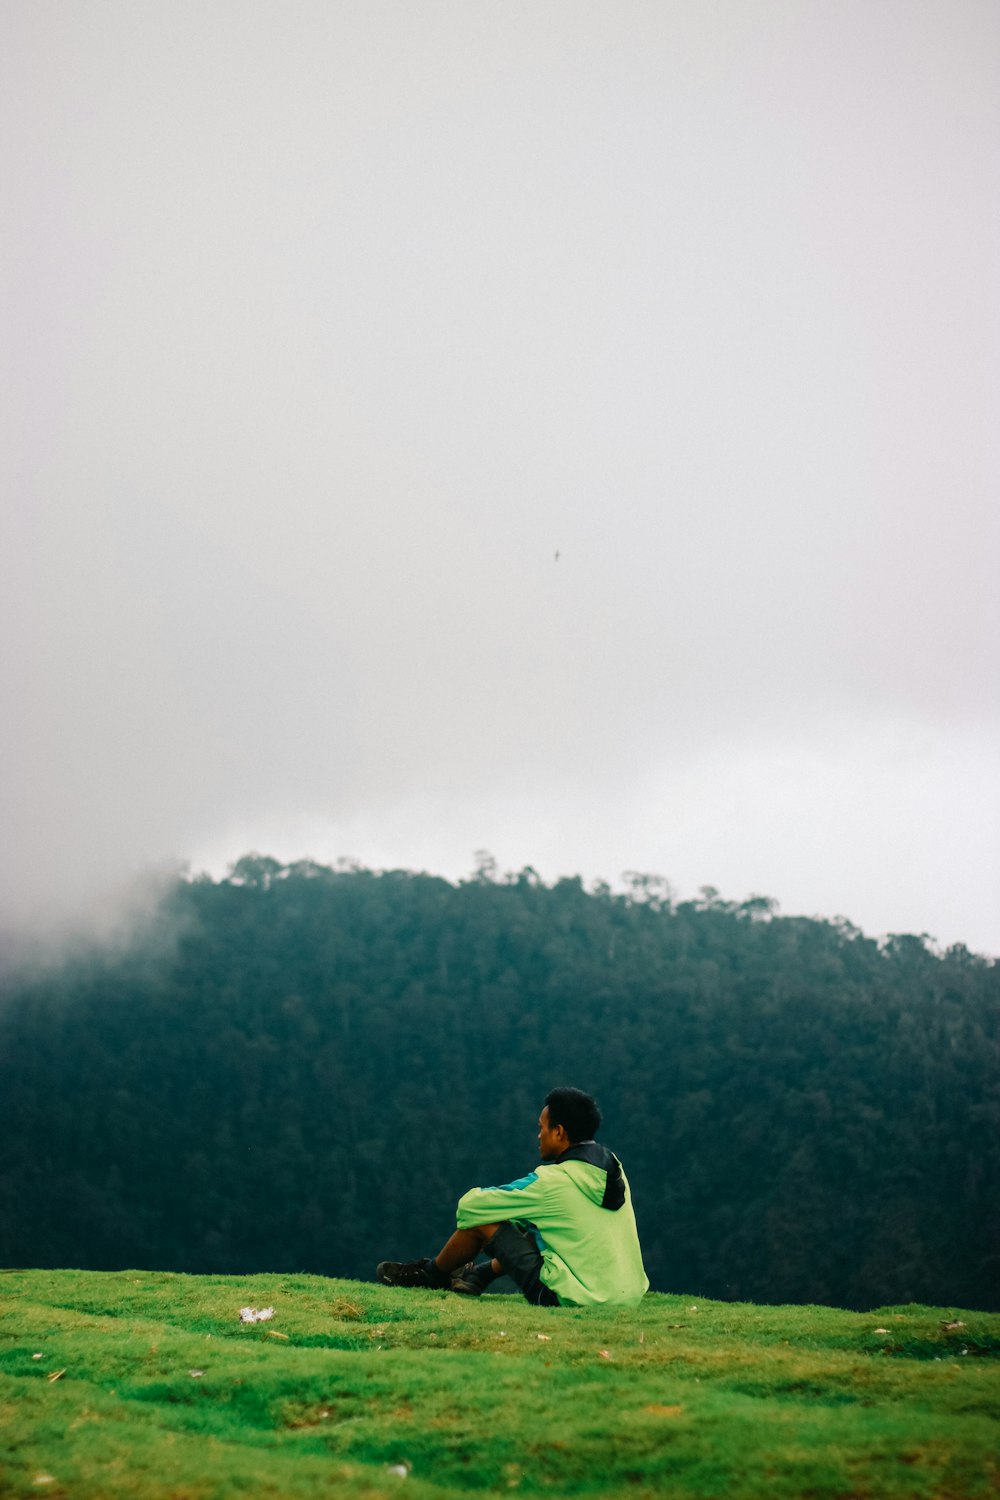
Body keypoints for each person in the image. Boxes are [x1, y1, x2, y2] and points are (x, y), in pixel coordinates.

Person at [376, 1086, 648, 1308]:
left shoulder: (551, 1182)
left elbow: (470, 1207)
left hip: (570, 1299)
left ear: (559, 1132)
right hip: (626, 1298)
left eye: (541, 1127)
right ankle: (478, 1275)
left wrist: (509, 1218)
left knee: (485, 1219)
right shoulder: (613, 1170)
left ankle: (431, 1276)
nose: (538, 1135)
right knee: (542, 1223)